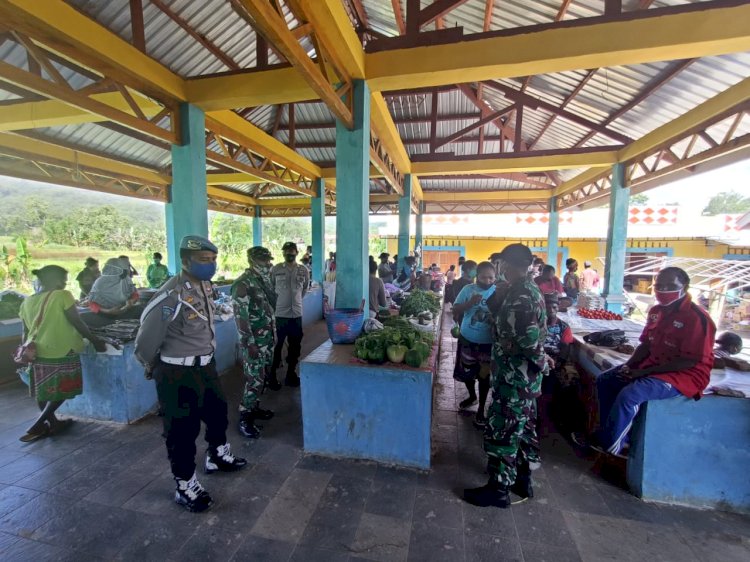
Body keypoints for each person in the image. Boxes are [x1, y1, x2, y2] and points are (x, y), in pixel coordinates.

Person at [135, 235, 247, 513]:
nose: (210, 265)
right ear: (185, 261)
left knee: (218, 412)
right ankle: (185, 484)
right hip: (177, 372)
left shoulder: (204, 287)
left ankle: (217, 456)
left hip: (205, 366)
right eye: (203, 260)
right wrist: (155, 367)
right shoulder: (171, 296)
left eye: (212, 260)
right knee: (182, 431)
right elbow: (145, 343)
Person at [573, 267, 716, 459]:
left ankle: (612, 449)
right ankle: (608, 432)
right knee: (606, 380)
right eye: (659, 286)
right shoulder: (657, 311)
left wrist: (643, 373)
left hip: (685, 374)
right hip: (654, 366)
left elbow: (690, 360)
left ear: (685, 287)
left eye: (670, 286)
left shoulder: (697, 318)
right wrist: (629, 366)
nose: (663, 290)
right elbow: (646, 344)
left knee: (631, 394)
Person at [464, 243, 548, 509]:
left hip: (515, 377)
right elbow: (503, 322)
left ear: (507, 265)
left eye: (500, 265)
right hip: (521, 377)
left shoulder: (522, 296)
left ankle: (499, 489)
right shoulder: (521, 290)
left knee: (504, 429)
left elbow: (529, 341)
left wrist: (543, 362)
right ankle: (522, 479)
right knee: (523, 428)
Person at [18, 266, 107, 442]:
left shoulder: (26, 302)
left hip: (38, 351)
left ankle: (53, 424)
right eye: (64, 279)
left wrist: (27, 352)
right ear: (55, 280)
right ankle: (39, 423)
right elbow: (77, 322)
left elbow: (25, 331)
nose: (66, 283)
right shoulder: (62, 295)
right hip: (62, 349)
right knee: (65, 388)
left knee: (44, 391)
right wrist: (95, 340)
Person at [232, 246, 277, 438]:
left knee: (262, 377)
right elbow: (240, 318)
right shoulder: (243, 284)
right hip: (254, 342)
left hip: (266, 339)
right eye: (263, 261)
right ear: (252, 261)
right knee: (254, 380)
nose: (267, 264)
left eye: (268, 260)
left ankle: (255, 407)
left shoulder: (261, 281)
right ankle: (245, 417)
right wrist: (249, 344)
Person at [452, 261, 496, 428]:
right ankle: (472, 396)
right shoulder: (467, 290)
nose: (487, 281)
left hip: (488, 343)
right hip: (467, 339)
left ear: (495, 277)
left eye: (490, 277)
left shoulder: (498, 292)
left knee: (484, 377)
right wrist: (469, 303)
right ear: (476, 276)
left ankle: (481, 409)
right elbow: (455, 309)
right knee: (467, 372)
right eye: (483, 277)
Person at [270, 241, 310, 387]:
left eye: (292, 251)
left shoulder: (303, 270)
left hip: (296, 315)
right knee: (276, 346)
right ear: (283, 253)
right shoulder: (275, 269)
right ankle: (272, 376)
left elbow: (304, 289)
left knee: (295, 347)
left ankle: (290, 374)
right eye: (286, 251)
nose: (289, 253)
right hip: (280, 315)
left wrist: (295, 301)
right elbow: (271, 289)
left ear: (296, 253)